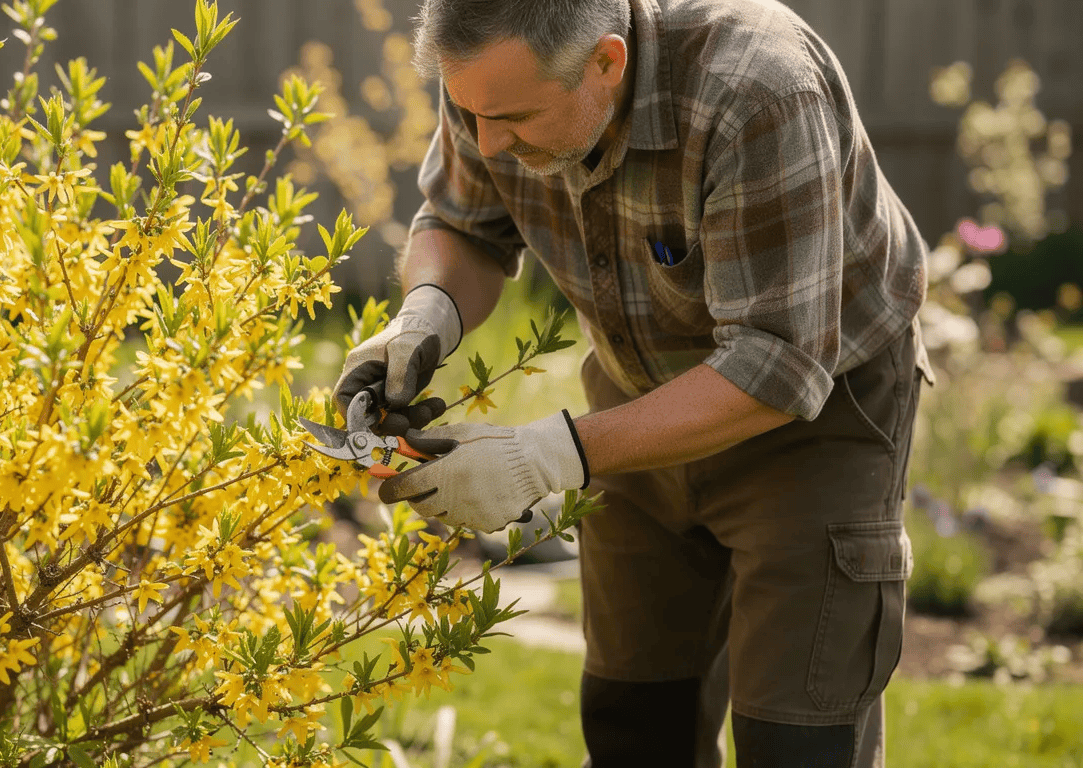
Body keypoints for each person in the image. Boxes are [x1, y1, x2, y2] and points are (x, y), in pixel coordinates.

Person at [332, 0, 938, 765]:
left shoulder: (760, 90)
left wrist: (543, 458)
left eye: (514, 117)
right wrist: (424, 315)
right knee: (634, 720)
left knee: (797, 740)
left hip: (815, 417)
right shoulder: (492, 77)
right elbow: (462, 222)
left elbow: (778, 364)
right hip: (637, 385)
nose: (487, 141)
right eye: (468, 112)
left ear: (607, 62)